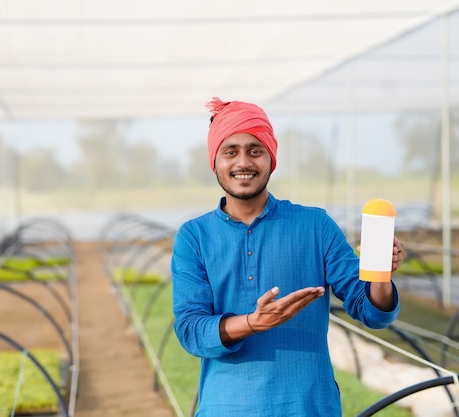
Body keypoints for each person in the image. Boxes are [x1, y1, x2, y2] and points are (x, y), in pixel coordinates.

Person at [171, 97, 404, 417]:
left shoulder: (316, 225)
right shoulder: (194, 237)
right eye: (230, 151)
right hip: (225, 407)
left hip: (309, 407)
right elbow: (191, 330)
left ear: (271, 158)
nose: (243, 162)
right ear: (214, 161)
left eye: (255, 150)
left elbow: (373, 313)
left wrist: (381, 275)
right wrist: (253, 323)